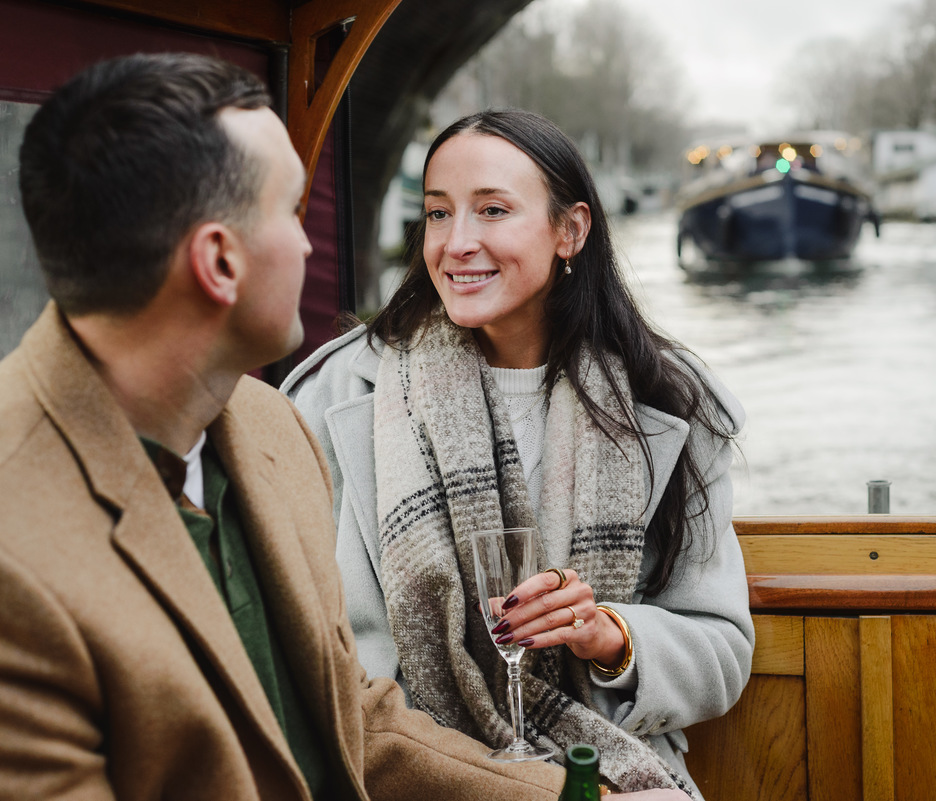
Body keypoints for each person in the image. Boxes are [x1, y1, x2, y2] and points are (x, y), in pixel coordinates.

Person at [0, 54, 684, 801]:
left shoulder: (269, 427)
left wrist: (572, 798)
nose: (310, 246)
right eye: (290, 212)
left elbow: (351, 716)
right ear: (219, 261)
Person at [282, 109, 755, 798]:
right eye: (438, 214)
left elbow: (721, 646)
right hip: (400, 768)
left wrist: (609, 634)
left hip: (603, 763)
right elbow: (302, 645)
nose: (456, 243)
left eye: (493, 210)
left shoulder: (670, 401)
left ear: (572, 230)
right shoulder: (333, 393)